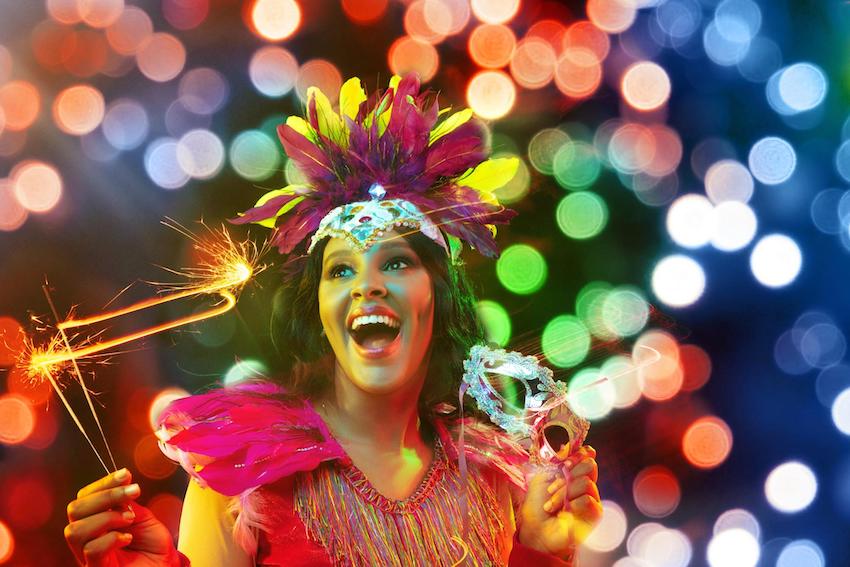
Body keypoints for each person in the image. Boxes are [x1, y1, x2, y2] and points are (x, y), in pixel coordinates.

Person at [64, 75, 602, 566]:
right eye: (340, 270)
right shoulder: (244, 474)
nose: (367, 285)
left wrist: (540, 553)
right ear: (319, 311)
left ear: (436, 299)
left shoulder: (495, 479)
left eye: (395, 261)